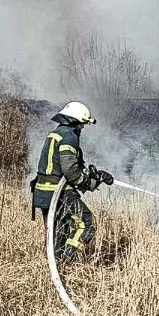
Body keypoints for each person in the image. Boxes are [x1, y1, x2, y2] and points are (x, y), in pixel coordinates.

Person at [30, 101, 114, 263]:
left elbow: (65, 167)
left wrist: (96, 177)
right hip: (60, 193)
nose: (82, 128)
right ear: (74, 121)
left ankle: (58, 263)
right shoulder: (69, 137)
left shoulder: (57, 133)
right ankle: (68, 261)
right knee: (85, 223)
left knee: (59, 231)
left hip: (43, 193)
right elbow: (70, 171)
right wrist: (89, 182)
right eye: (82, 124)